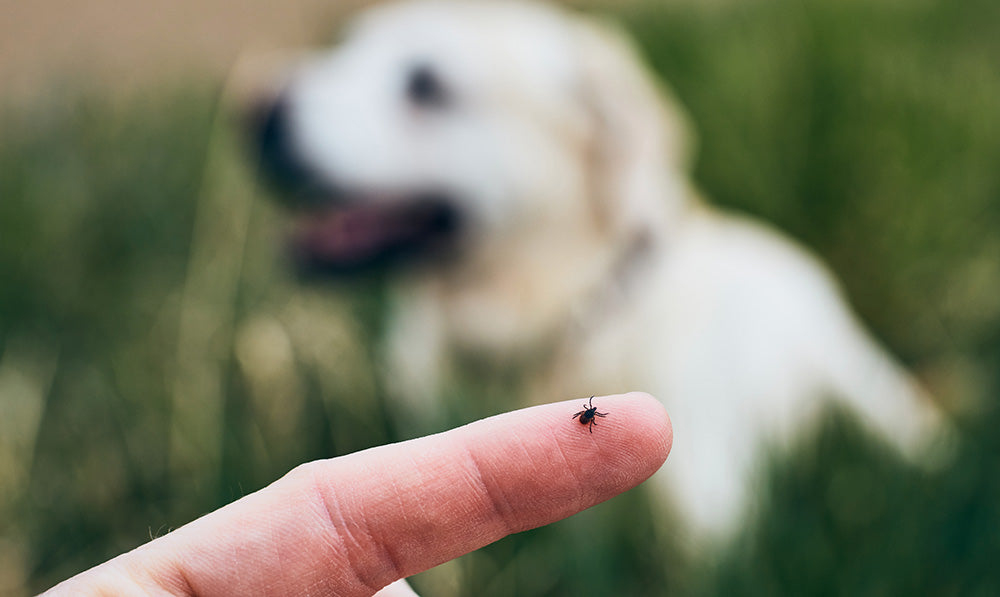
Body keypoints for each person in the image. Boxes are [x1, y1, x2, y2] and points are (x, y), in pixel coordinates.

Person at [41, 392, 671, 596]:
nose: (588, 415)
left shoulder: (587, 420)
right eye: (589, 413)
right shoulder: (588, 420)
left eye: (588, 414)